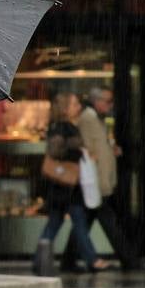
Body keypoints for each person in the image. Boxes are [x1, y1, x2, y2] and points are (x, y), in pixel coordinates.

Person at [60, 88, 144, 272]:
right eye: (107, 101)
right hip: (95, 182)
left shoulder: (96, 119)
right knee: (108, 223)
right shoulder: (89, 118)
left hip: (98, 182)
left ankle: (68, 260)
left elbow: (97, 146)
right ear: (96, 101)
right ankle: (129, 259)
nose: (110, 104)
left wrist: (110, 150)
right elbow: (89, 148)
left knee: (85, 223)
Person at [40, 92, 107, 273]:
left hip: (62, 187)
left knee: (56, 224)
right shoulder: (63, 128)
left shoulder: (62, 126)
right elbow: (55, 151)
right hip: (67, 186)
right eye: (75, 104)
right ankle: (92, 259)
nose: (79, 107)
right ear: (65, 108)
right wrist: (78, 151)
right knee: (78, 222)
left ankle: (39, 260)